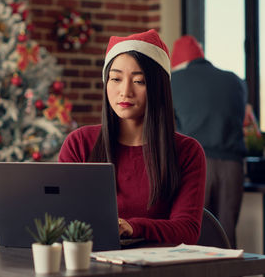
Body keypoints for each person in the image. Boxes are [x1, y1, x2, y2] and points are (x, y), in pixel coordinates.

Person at [58, 29, 206, 245]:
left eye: (139, 81)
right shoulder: (79, 143)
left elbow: (187, 230)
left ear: (158, 87)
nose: (125, 91)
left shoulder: (187, 152)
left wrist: (133, 227)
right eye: (116, 78)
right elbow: (62, 217)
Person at [170, 35, 247, 248]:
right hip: (233, 166)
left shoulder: (174, 81)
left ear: (179, 63)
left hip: (195, 164)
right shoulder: (235, 80)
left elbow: (170, 128)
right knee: (227, 234)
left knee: (195, 233)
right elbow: (241, 120)